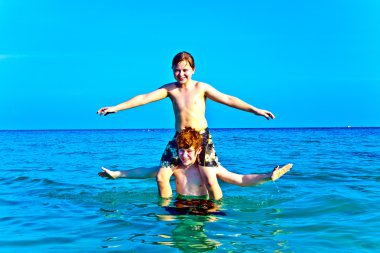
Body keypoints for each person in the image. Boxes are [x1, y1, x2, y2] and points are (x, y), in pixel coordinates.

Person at [97, 51, 275, 200]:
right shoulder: (170, 89)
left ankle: (216, 210)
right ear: (172, 71)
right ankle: (167, 210)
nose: (181, 74)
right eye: (177, 70)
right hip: (180, 138)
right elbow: (143, 98)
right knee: (161, 177)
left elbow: (228, 99)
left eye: (185, 70)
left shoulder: (201, 88)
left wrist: (254, 110)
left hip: (201, 137)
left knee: (209, 178)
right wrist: (116, 108)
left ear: (193, 70)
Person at [98, 127, 292, 202]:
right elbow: (144, 172)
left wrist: (268, 176)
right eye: (181, 151)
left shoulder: (207, 169)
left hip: (205, 206)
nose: (184, 155)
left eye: (189, 151)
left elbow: (239, 179)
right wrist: (117, 174)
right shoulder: (175, 168)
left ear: (198, 151)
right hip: (179, 205)